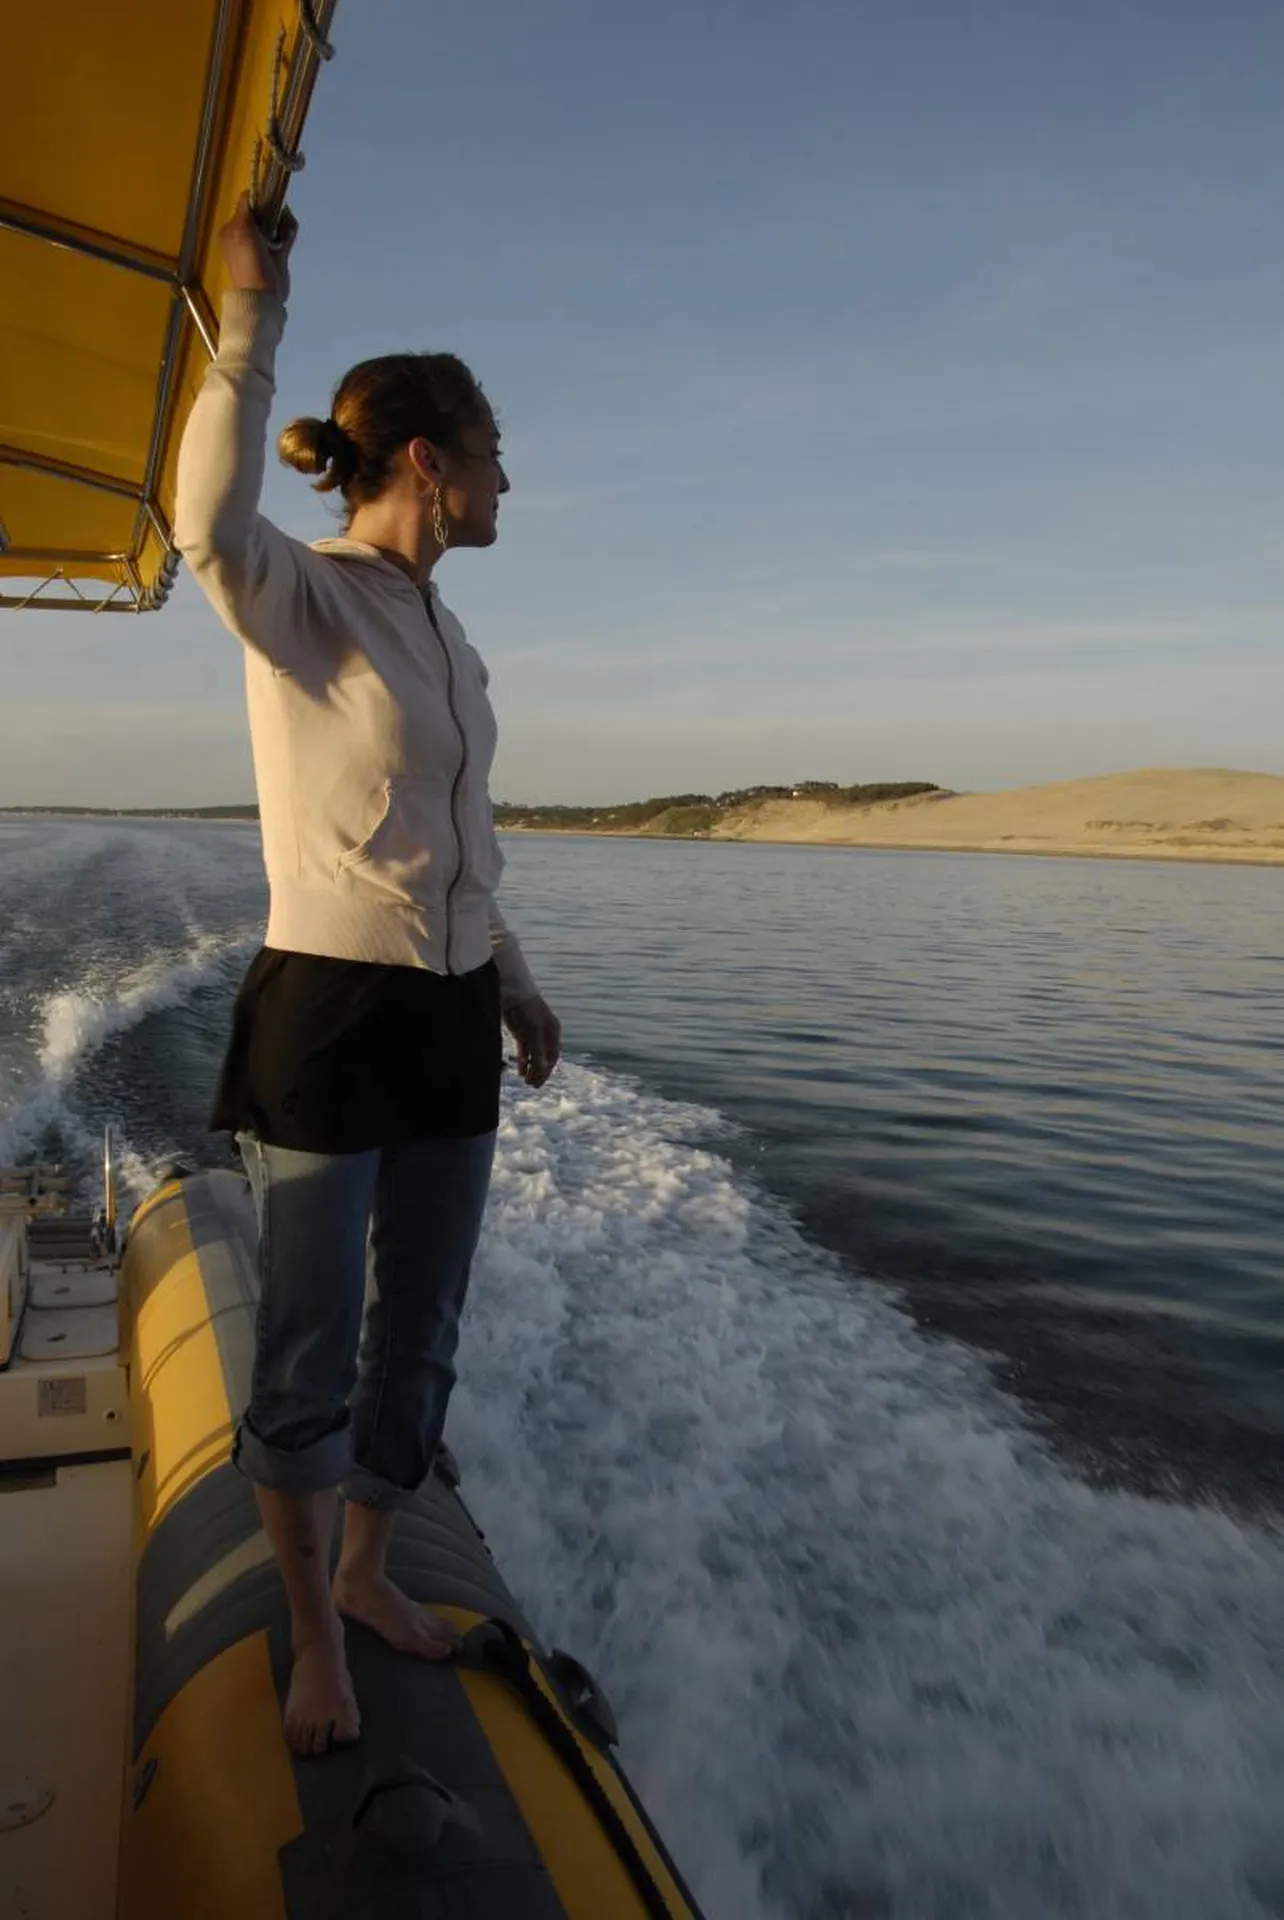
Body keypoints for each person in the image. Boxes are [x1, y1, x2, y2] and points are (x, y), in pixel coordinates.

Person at [174, 195, 561, 1757]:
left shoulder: (452, 642)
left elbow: (457, 842)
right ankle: (308, 1633)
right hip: (330, 1016)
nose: (507, 481)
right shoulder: (308, 599)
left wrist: (516, 980)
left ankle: (371, 1575)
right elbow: (206, 522)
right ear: (430, 464)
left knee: (425, 1331)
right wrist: (252, 323)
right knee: (312, 1340)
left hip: (452, 1017)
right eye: (492, 455)